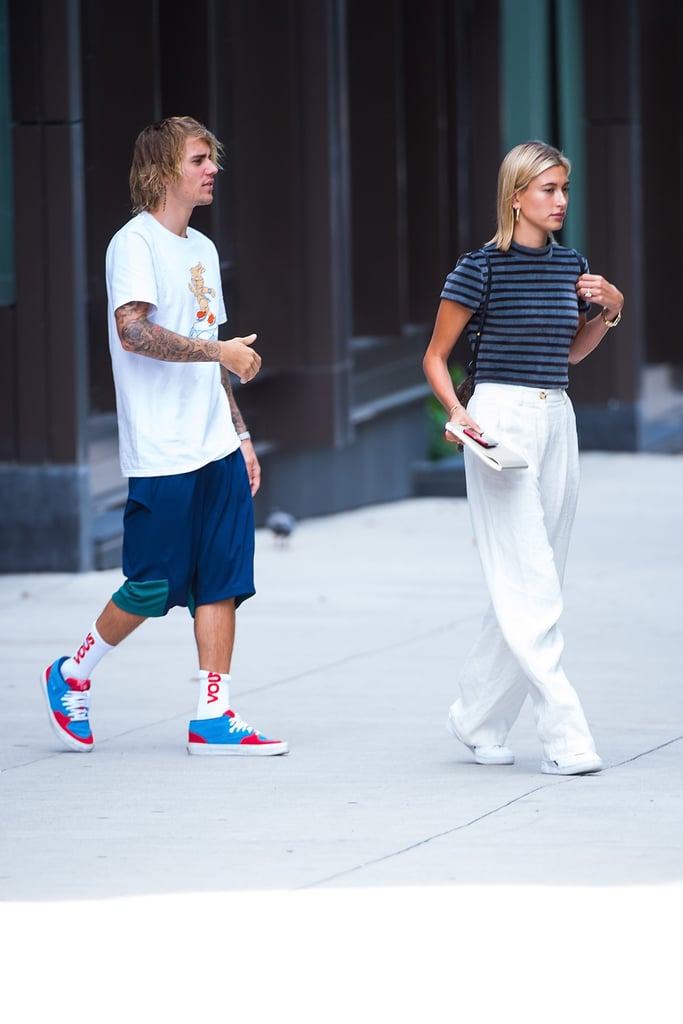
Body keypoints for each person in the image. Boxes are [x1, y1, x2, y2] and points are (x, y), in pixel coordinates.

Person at [41, 116, 288, 756]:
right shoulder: (134, 244)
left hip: (214, 445)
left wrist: (241, 434)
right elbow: (134, 333)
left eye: (214, 159)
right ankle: (71, 675)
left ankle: (213, 715)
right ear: (163, 169)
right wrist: (222, 352)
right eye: (201, 159)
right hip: (161, 449)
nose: (213, 170)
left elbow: (216, 357)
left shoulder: (202, 249)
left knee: (224, 580)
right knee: (149, 586)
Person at [423, 140, 624, 776]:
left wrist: (609, 312)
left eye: (564, 188)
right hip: (499, 420)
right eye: (547, 190)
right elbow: (435, 356)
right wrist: (459, 413)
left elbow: (567, 355)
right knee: (530, 583)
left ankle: (477, 717)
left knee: (535, 579)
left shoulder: (574, 267)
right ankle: (566, 735)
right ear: (516, 197)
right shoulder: (479, 267)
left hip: (556, 415)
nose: (561, 200)